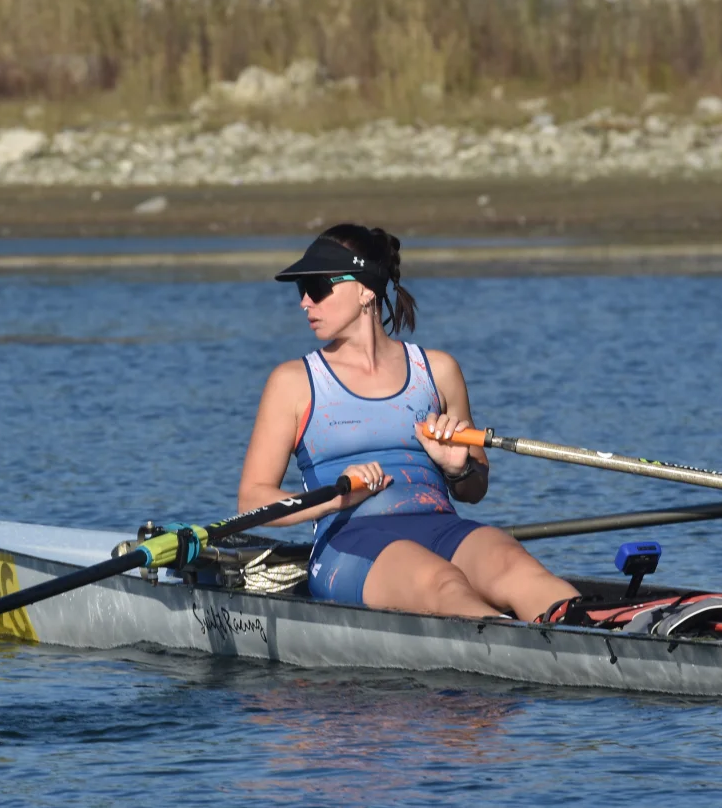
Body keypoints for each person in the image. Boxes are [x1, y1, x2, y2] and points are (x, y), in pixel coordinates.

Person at [237, 224, 580, 621]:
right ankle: (508, 643)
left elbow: (474, 488)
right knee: (441, 582)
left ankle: (614, 629)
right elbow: (251, 501)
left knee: (517, 568)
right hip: (349, 544)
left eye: (316, 286)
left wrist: (458, 468)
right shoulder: (294, 383)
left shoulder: (437, 371)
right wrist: (335, 498)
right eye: (302, 289)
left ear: (365, 290)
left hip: (439, 527)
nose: (304, 302)